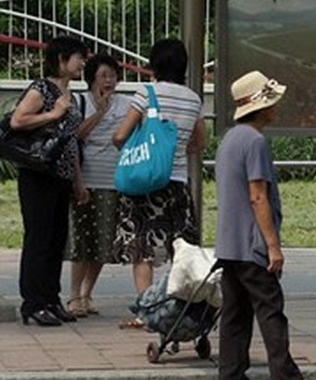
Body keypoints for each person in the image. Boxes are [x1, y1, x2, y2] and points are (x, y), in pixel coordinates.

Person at [214, 70, 316, 380]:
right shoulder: (256, 141)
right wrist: (273, 245)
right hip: (252, 244)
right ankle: (287, 379)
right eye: (271, 101)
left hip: (228, 244)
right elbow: (257, 195)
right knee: (270, 308)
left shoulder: (230, 139)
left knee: (235, 311)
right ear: (260, 107)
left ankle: (232, 374)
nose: (276, 106)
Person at [111, 38, 206, 298]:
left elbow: (120, 136)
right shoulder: (193, 99)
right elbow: (200, 141)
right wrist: (175, 151)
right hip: (176, 181)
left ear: (155, 64)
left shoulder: (146, 93)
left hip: (145, 182)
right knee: (180, 245)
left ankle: (147, 307)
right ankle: (177, 303)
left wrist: (136, 149)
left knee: (142, 246)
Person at [11, 36, 89, 327]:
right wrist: (53, 113)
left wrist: (77, 182)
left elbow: (71, 143)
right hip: (38, 174)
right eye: (78, 58)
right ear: (61, 59)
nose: (82, 63)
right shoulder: (41, 89)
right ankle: (33, 303)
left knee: (57, 240)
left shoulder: (71, 94)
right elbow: (18, 121)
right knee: (39, 239)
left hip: (62, 176)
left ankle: (51, 298)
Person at [66, 53, 131, 318]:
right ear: (91, 78)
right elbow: (75, 135)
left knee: (104, 241)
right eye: (104, 75)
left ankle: (87, 293)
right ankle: (73, 295)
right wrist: (101, 112)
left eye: (113, 75)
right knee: (82, 240)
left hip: (114, 178)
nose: (109, 81)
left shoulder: (126, 104)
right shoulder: (79, 102)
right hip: (87, 176)